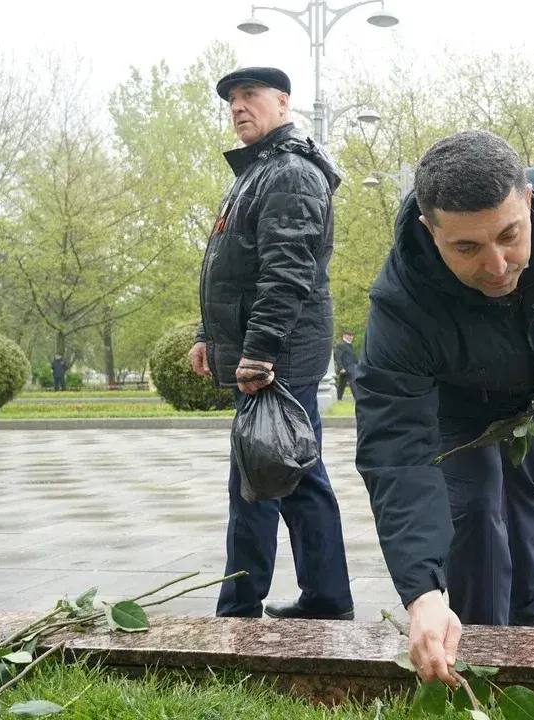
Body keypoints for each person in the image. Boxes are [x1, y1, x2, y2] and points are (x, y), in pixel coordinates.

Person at [354, 130, 534, 684]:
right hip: (457, 405)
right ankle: (479, 652)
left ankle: (528, 620)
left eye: (509, 236)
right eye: (467, 248)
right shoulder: (401, 308)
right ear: (430, 231)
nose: (498, 266)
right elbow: (397, 451)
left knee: (526, 500)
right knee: (476, 509)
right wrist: (422, 592)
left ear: (528, 200)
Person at [188, 66, 353, 620]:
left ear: (283, 102)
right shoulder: (258, 171)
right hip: (266, 351)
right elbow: (231, 269)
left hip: (280, 355)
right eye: (232, 99)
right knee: (275, 476)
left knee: (276, 477)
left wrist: (258, 352)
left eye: (250, 95)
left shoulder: (289, 172)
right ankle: (308, 599)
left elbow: (287, 272)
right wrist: (208, 334)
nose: (238, 106)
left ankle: (250, 607)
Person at [333, 331, 359, 400]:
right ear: (344, 336)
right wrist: (341, 368)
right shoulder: (341, 345)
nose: (351, 337)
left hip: (351, 367)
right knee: (353, 382)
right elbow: (337, 357)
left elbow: (353, 358)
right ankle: (358, 399)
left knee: (342, 384)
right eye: (349, 335)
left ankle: (338, 398)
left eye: (352, 335)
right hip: (346, 368)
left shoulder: (350, 345)